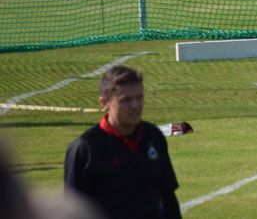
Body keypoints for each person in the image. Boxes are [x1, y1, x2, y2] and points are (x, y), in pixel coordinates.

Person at [64, 65, 181, 218]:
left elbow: (168, 196)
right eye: (126, 100)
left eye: (139, 97)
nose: (136, 105)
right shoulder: (86, 148)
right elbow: (73, 210)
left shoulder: (153, 137)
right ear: (104, 103)